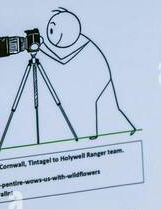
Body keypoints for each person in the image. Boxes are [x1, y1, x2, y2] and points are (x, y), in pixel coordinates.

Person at [36, 7, 136, 139]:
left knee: (96, 104)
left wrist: (41, 47)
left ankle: (95, 134)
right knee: (110, 105)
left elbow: (62, 59)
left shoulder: (81, 42)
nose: (51, 33)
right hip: (102, 76)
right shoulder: (79, 39)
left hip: (100, 78)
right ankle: (130, 128)